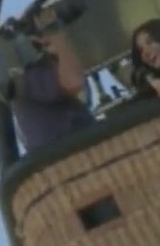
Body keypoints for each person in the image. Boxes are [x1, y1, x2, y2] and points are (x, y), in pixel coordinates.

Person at [7, 9, 96, 153]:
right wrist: (57, 37)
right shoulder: (27, 76)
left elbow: (83, 93)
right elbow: (73, 82)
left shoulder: (50, 65)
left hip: (80, 148)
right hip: (65, 156)